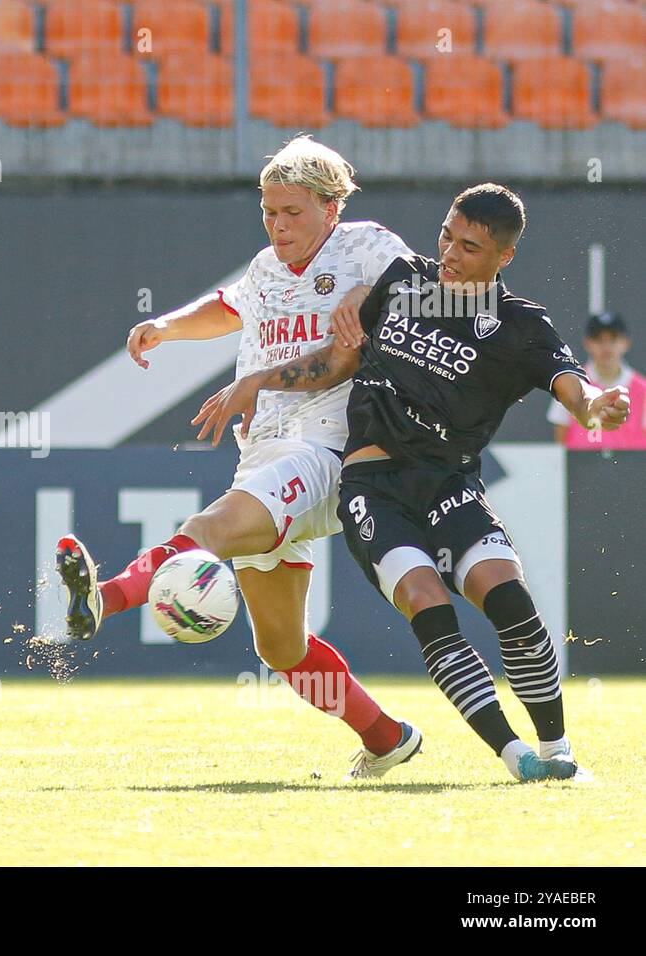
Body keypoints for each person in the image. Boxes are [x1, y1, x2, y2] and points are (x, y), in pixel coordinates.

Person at [199, 183, 631, 781]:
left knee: (507, 596)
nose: (450, 254)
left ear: (503, 257)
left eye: (470, 247)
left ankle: (559, 751)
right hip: (374, 489)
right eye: (447, 236)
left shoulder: (519, 326)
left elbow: (570, 384)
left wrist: (594, 406)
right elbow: (337, 360)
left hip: (449, 482)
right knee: (428, 604)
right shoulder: (403, 281)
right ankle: (517, 758)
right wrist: (263, 379)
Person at [56, 135, 422, 779]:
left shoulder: (366, 247)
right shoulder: (264, 269)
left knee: (207, 530)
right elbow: (226, 309)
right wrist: (166, 327)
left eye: (293, 212)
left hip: (326, 448)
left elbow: (421, 285)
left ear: (332, 207)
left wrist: (367, 299)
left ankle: (105, 598)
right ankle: (388, 738)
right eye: (269, 212)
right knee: (281, 648)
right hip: (263, 457)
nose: (279, 225)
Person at [547, 312, 646, 449]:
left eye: (613, 339)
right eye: (599, 340)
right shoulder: (571, 382)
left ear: (626, 343)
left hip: (630, 469)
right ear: (588, 343)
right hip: (581, 468)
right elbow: (561, 436)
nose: (606, 347)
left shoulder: (643, 389)